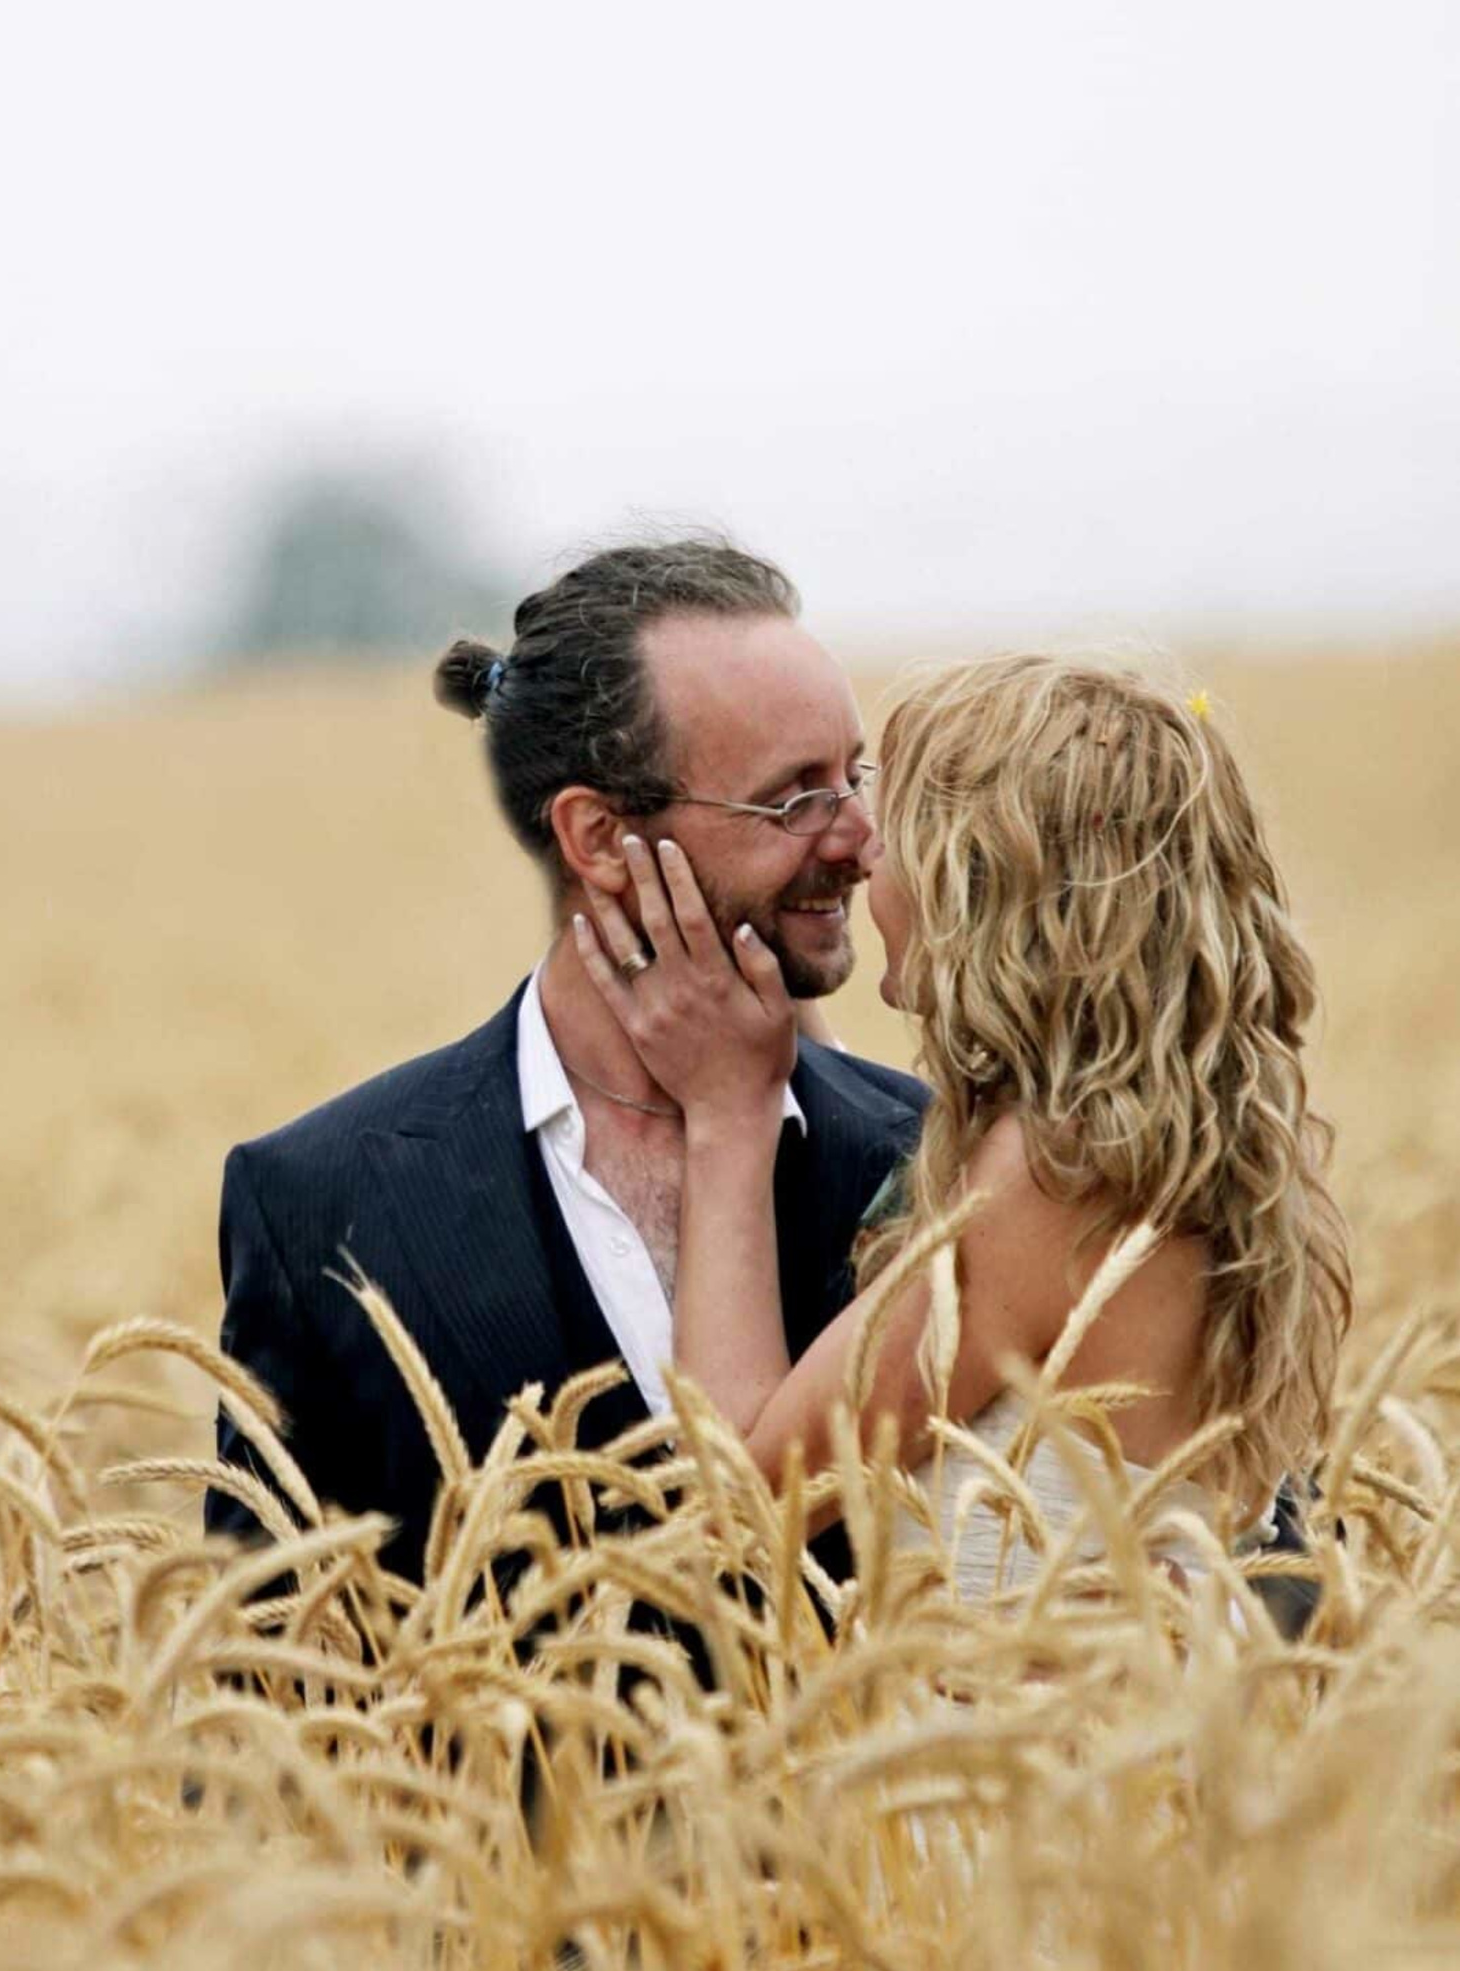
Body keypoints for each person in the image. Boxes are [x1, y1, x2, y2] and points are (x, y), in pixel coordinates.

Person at [206, 538, 926, 1588]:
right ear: (596, 838)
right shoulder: (318, 1201)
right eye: (792, 798)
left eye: (851, 777)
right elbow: (258, 1694)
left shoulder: (939, 1160)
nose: (861, 842)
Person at [573, 654, 1352, 1598]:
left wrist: (729, 1115)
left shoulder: (1055, 1181)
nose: (856, 850)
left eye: (890, 828)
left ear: (982, 885)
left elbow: (740, 1500)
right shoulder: (1154, 1139)